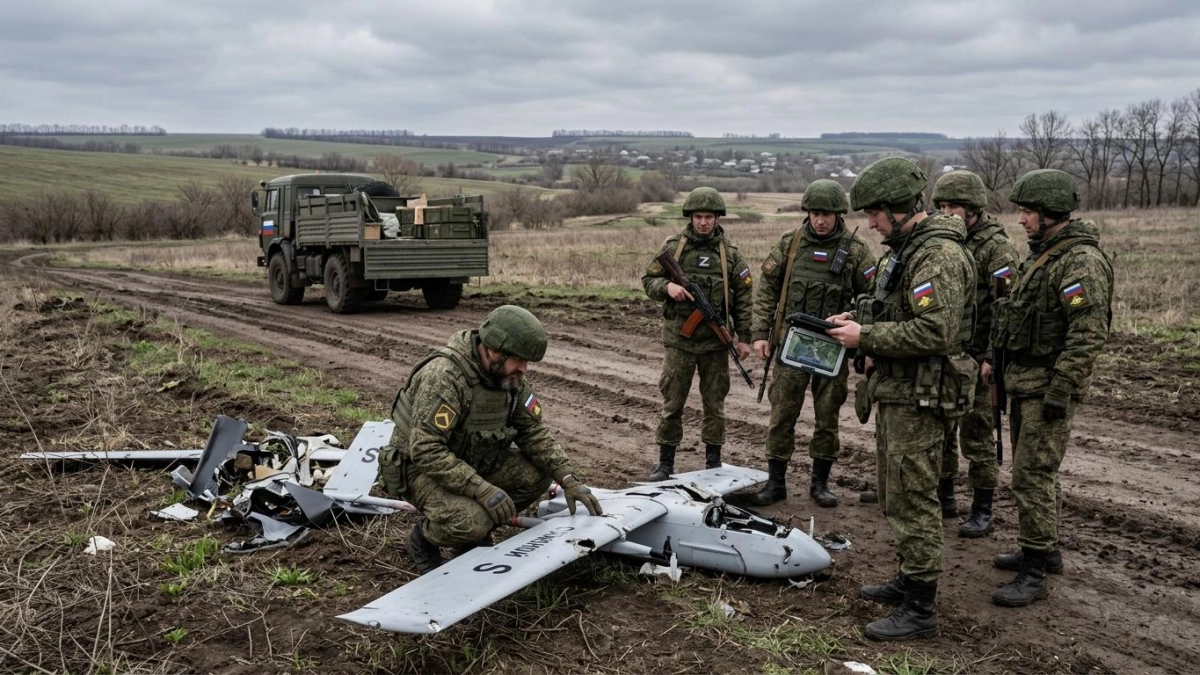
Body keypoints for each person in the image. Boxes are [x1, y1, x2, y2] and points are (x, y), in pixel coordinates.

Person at [826, 157, 976, 640]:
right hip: (899, 391)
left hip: (922, 396)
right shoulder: (903, 249)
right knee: (895, 495)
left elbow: (936, 329)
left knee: (914, 499)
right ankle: (909, 578)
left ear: (898, 207)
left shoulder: (938, 256)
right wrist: (860, 316)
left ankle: (920, 608)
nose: (869, 223)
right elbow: (897, 306)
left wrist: (865, 335)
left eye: (874, 213)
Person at [378, 305, 603, 573]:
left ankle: (471, 538)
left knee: (537, 475)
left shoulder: (510, 379)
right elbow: (426, 450)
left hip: (471, 461)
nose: (524, 369)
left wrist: (568, 478)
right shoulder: (445, 376)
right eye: (519, 360)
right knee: (471, 522)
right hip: (419, 471)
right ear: (495, 352)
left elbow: (533, 431)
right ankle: (423, 540)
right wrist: (482, 490)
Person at [989, 169, 1112, 606]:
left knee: (1031, 475)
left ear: (1051, 213)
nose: (1020, 220)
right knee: (1037, 473)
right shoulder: (1045, 254)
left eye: (1027, 212)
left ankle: (1035, 570)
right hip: (1025, 382)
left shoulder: (1079, 262)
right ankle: (1045, 547)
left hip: (1048, 388)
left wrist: (1062, 388)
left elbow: (1087, 333)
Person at [748, 179, 873, 507]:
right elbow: (766, 292)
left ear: (838, 214)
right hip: (792, 346)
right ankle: (776, 482)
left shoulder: (856, 251)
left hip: (833, 347)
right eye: (815, 213)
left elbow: (874, 298)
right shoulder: (790, 244)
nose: (820, 220)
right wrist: (760, 334)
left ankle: (820, 483)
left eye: (827, 214)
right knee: (782, 413)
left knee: (827, 416)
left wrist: (854, 318)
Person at [931, 170, 1019, 537]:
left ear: (973, 208)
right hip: (947, 355)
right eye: (942, 206)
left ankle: (982, 508)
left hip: (979, 358)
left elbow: (1006, 308)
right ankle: (946, 496)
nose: (947, 212)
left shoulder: (996, 248)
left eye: (954, 206)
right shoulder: (944, 240)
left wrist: (989, 357)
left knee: (979, 435)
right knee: (942, 429)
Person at [643, 187, 753, 480]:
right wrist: (667, 288)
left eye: (708, 217)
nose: (703, 222)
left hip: (715, 344)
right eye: (698, 217)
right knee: (673, 403)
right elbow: (649, 279)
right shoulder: (675, 247)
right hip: (680, 340)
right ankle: (665, 463)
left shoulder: (729, 254)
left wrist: (745, 338)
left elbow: (744, 297)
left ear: (717, 218)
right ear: (690, 217)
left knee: (714, 405)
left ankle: (713, 463)